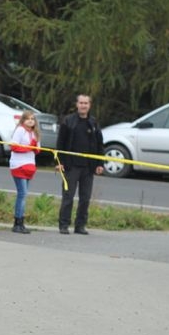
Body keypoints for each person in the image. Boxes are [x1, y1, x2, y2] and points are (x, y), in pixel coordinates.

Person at [55, 94, 104, 234]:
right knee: (68, 197)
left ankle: (80, 225)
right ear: (77, 104)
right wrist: (59, 162)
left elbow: (100, 144)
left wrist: (100, 163)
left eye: (86, 103)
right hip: (71, 166)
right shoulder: (68, 121)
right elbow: (60, 143)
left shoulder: (93, 122)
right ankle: (64, 225)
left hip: (88, 167)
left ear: (90, 105)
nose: (83, 105)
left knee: (85, 198)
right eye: (81, 103)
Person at [9, 110, 40, 234]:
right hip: (18, 165)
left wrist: (34, 146)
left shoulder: (35, 133)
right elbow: (14, 147)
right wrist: (29, 147)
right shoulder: (20, 130)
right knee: (22, 194)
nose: (30, 121)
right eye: (28, 119)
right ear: (23, 120)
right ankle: (18, 222)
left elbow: (38, 149)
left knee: (24, 194)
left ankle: (21, 223)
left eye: (32, 119)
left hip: (30, 165)